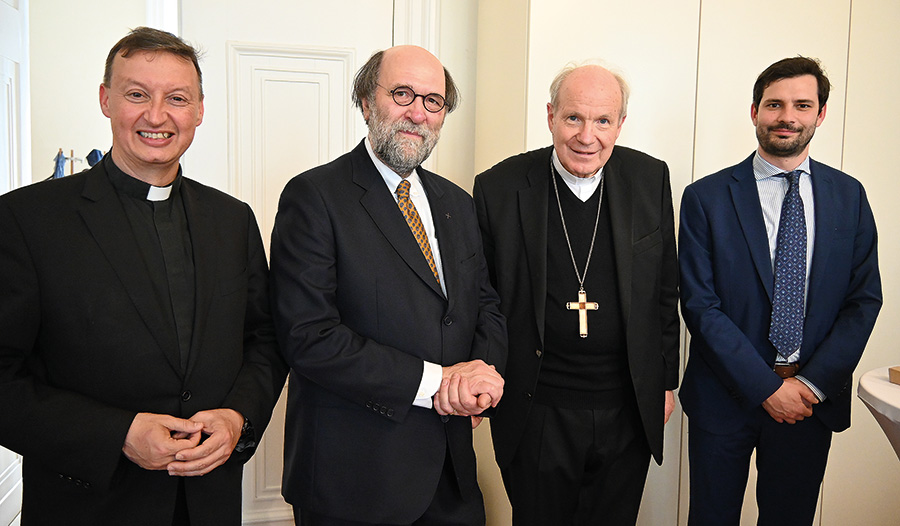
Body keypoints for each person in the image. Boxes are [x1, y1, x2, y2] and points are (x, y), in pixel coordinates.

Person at [0, 27, 288, 525]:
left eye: (176, 98)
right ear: (105, 100)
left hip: (208, 502)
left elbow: (263, 339)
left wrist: (237, 416)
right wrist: (118, 434)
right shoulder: (27, 219)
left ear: (199, 111)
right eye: (137, 95)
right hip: (89, 504)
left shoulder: (232, 219)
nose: (157, 116)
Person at [270, 45, 507, 526]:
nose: (417, 112)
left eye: (433, 101)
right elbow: (309, 337)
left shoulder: (457, 203)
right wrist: (439, 383)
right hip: (355, 482)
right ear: (365, 101)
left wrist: (479, 379)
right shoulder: (314, 197)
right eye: (402, 94)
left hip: (452, 476)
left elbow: (485, 305)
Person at [678, 56, 882, 526]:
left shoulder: (849, 196)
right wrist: (767, 387)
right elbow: (700, 304)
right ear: (754, 112)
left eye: (801, 105)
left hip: (809, 404)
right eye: (774, 104)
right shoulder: (706, 197)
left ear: (820, 114)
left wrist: (807, 386)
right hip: (724, 397)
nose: (786, 116)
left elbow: (863, 299)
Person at [473, 63, 680, 525]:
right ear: (550, 116)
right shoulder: (500, 188)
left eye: (603, 121)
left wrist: (666, 381)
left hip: (626, 405)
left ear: (621, 124)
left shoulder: (650, 178)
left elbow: (665, 287)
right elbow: (482, 298)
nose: (588, 136)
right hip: (537, 407)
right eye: (574, 118)